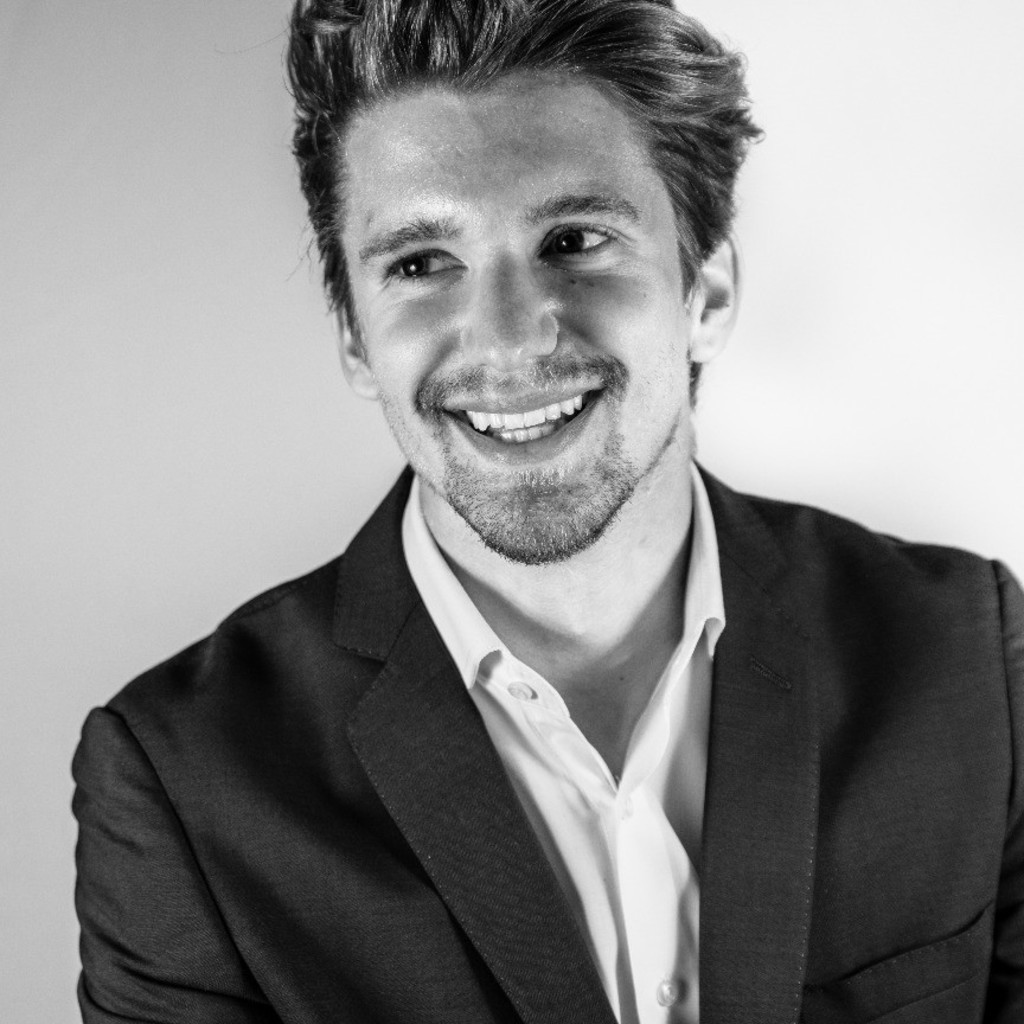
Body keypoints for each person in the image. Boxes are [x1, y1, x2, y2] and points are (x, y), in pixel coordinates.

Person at [71, 0, 1024, 1021]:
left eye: (573, 239)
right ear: (354, 339)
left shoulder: (967, 654)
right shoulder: (182, 778)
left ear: (705, 293)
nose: (510, 339)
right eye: (421, 264)